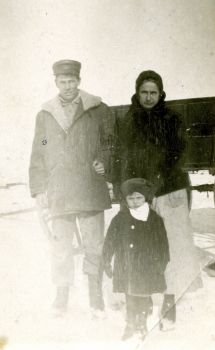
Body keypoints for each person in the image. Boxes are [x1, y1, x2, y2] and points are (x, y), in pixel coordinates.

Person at [113, 70, 202, 329]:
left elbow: (178, 155)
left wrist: (157, 181)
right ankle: (146, 299)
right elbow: (123, 159)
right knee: (144, 250)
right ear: (137, 93)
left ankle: (170, 302)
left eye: (153, 92)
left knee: (171, 249)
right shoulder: (128, 121)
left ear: (160, 93)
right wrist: (126, 192)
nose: (149, 97)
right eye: (144, 92)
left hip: (168, 192)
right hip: (140, 196)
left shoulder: (172, 119)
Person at [29, 59, 114, 318]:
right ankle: (61, 295)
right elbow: (40, 148)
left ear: (79, 81)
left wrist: (104, 160)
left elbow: (110, 142)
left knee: (93, 245)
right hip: (60, 191)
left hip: (89, 187)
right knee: (61, 247)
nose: (67, 86)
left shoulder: (98, 110)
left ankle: (95, 294)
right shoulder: (46, 115)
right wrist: (39, 187)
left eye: (71, 81)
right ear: (55, 82)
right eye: (62, 82)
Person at [102, 178, 170, 340]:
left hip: (147, 266)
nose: (135, 202)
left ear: (145, 198)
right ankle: (131, 324)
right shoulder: (120, 218)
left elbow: (163, 243)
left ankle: (142, 323)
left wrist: (161, 262)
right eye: (131, 199)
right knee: (130, 295)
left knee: (144, 295)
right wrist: (106, 259)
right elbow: (110, 240)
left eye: (139, 198)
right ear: (125, 200)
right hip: (126, 265)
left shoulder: (154, 219)